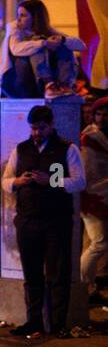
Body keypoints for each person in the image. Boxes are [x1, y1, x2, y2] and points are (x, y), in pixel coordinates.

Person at [2, 104, 86, 339]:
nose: (36, 133)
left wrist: (52, 180)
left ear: (51, 126)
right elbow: (6, 180)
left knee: (58, 273)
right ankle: (34, 321)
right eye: (33, 129)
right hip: (28, 220)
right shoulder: (22, 149)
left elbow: (79, 182)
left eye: (41, 128)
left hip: (56, 221)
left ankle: (58, 324)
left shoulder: (67, 149)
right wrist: (18, 182)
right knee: (32, 274)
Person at [81, 98, 108, 301]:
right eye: (100, 113)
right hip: (92, 197)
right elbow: (88, 172)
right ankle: (83, 286)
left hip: (98, 196)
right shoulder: (89, 138)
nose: (103, 117)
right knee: (99, 243)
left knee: (92, 242)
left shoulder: (99, 137)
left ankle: (88, 287)